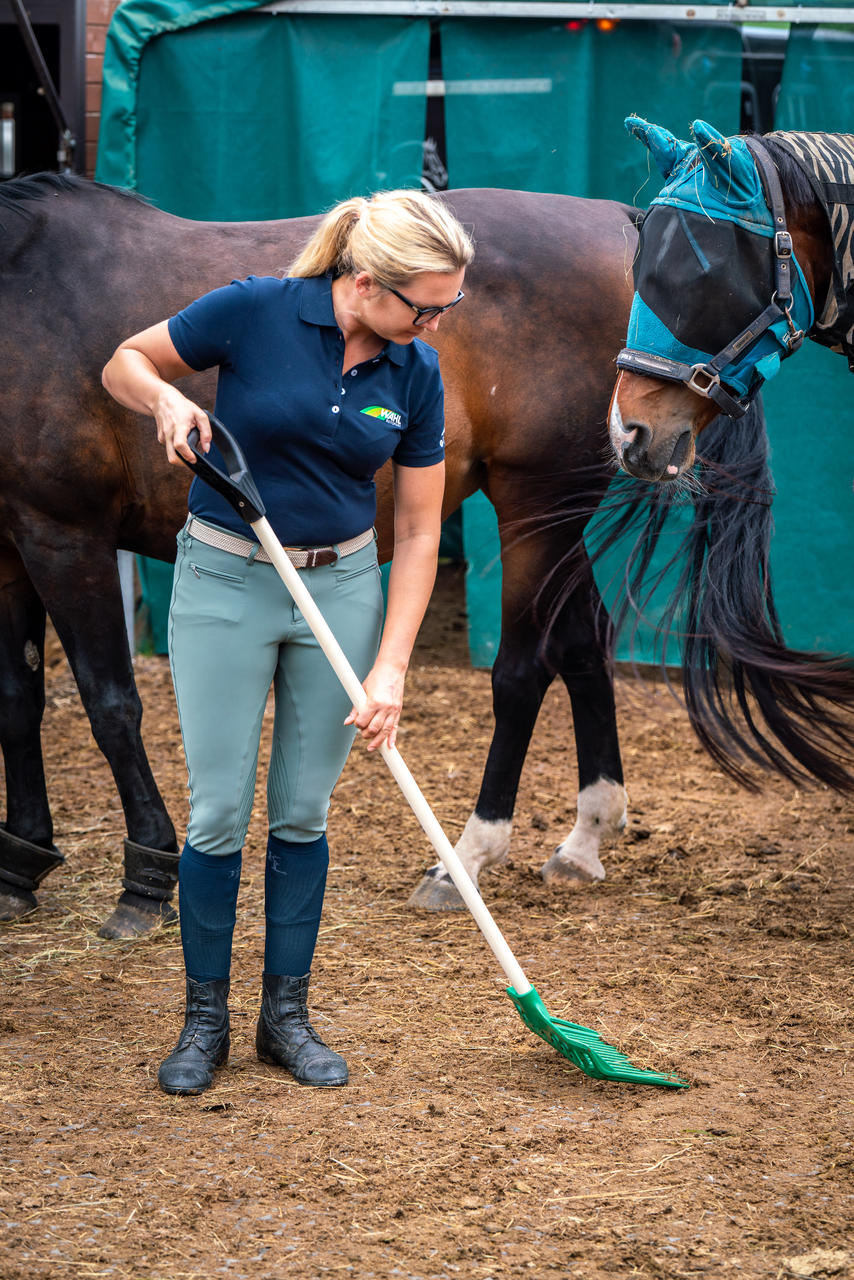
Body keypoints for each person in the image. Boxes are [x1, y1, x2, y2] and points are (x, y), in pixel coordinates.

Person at [101, 190, 474, 1096]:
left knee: (303, 812)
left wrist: (390, 667)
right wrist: (162, 400)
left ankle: (286, 1018)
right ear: (363, 281)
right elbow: (124, 362)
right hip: (226, 581)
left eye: (446, 307)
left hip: (342, 588)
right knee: (219, 811)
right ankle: (203, 1021)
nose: (433, 324)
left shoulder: (413, 373)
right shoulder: (255, 309)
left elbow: (420, 534)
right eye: (424, 305)